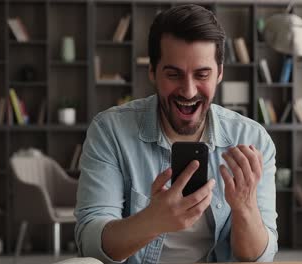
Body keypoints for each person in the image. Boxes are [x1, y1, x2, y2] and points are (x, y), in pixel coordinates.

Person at [75, 4, 277, 264]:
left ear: (220, 74)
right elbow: (89, 244)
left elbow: (258, 258)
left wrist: (245, 206)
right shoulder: (110, 131)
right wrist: (152, 221)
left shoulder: (253, 140)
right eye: (173, 75)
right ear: (152, 72)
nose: (189, 91)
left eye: (202, 74)